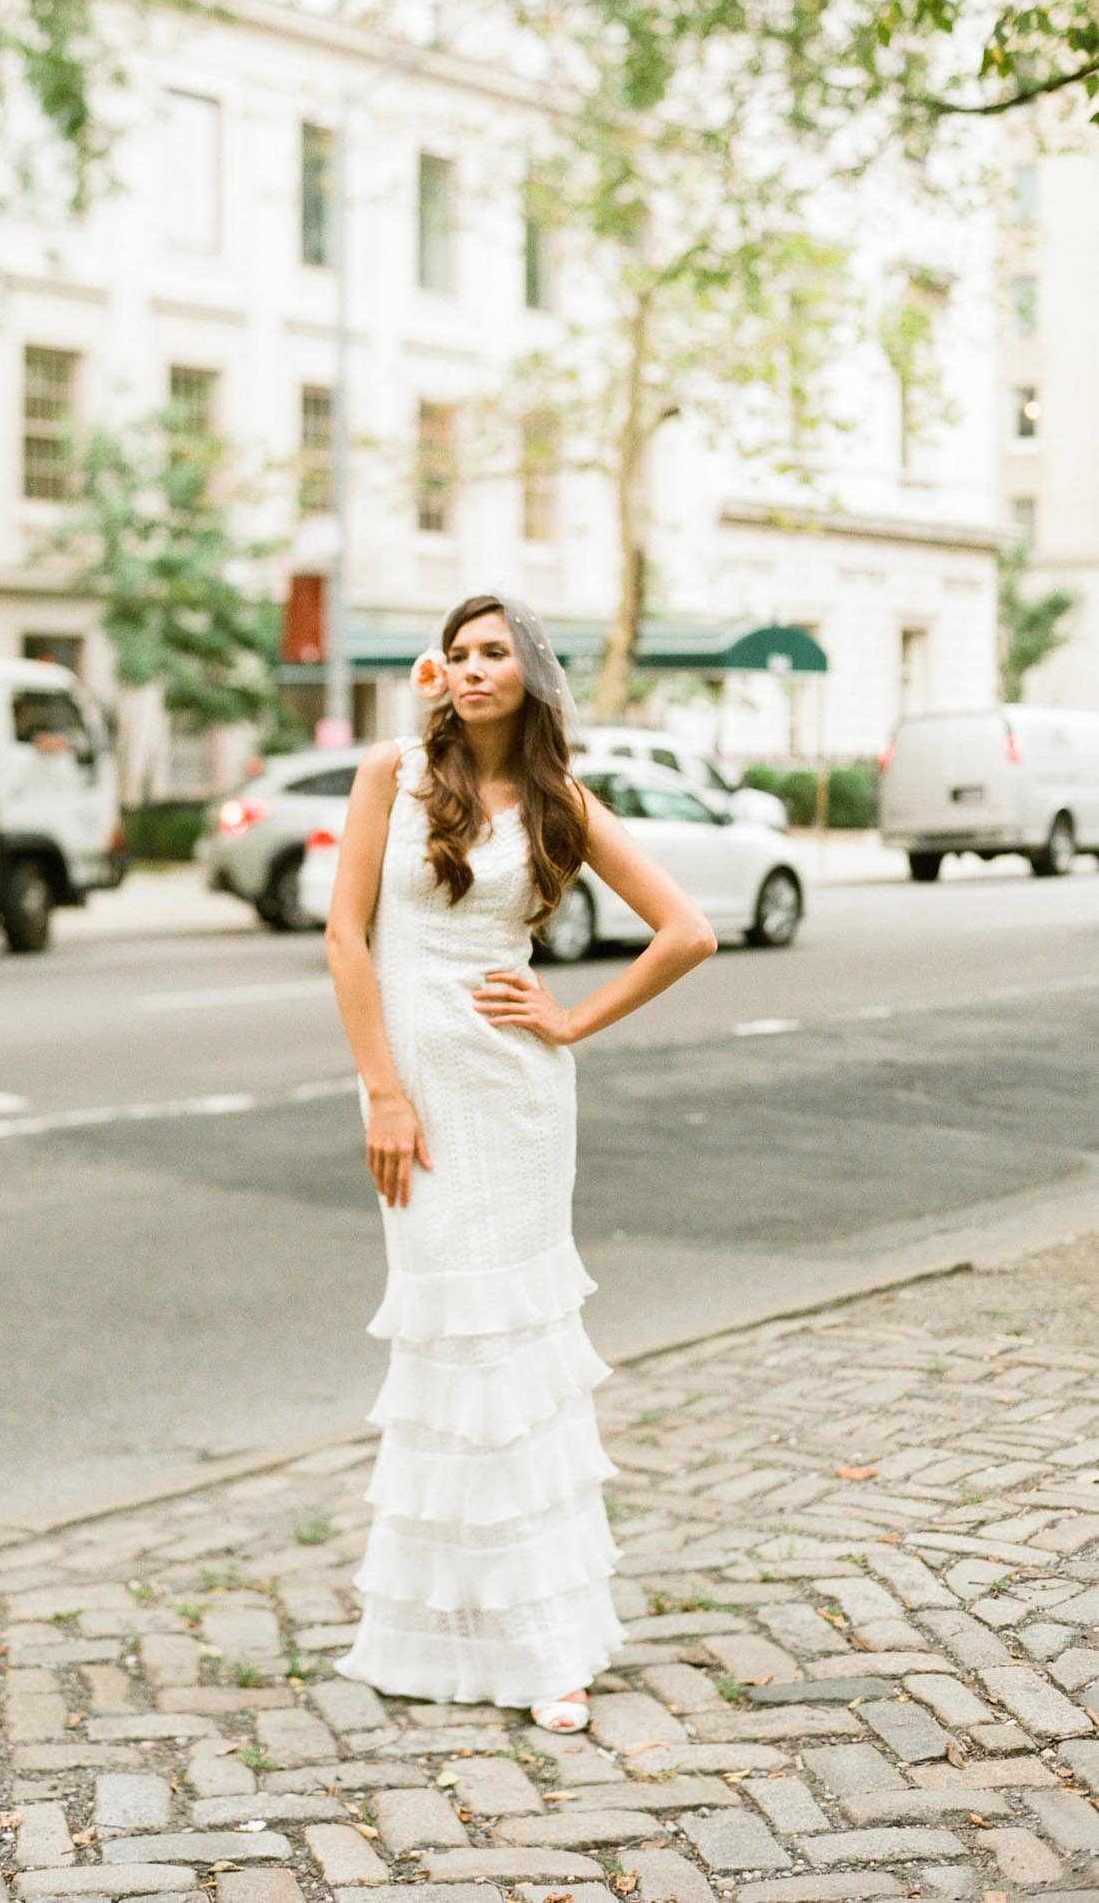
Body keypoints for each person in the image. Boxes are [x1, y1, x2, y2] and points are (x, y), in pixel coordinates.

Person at [324, 591, 717, 1733]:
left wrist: (573, 1020)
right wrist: (383, 1091)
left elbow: (685, 931)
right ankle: (437, 1631)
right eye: (459, 652)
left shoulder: (561, 801)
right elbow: (348, 939)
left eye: (496, 651)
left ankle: (548, 1642)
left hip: (518, 1100)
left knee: (516, 1351)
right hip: (418, 1095)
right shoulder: (390, 777)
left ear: (533, 673)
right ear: (437, 672)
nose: (474, 666)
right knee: (452, 1339)